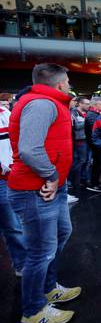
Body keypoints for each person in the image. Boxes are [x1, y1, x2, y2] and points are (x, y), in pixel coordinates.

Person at [8, 63, 81, 323]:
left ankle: (49, 288)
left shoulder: (48, 102)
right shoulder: (42, 104)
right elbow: (29, 149)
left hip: (50, 187)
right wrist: (50, 175)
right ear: (60, 84)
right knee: (40, 252)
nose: (70, 85)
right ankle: (33, 311)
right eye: (69, 81)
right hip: (36, 189)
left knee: (60, 234)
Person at [0, 99, 26, 277]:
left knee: (14, 224)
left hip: (9, 176)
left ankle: (22, 264)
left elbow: (16, 141)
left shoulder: (5, 113)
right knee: (12, 224)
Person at [68, 97, 90, 202]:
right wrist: (87, 122)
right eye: (86, 104)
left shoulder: (88, 113)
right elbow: (75, 126)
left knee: (85, 161)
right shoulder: (73, 113)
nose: (88, 106)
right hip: (79, 141)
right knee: (79, 162)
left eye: (88, 104)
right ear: (79, 104)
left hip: (87, 140)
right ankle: (74, 181)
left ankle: (81, 180)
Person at [85, 97, 101, 193]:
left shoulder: (94, 114)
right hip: (95, 144)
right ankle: (94, 184)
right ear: (95, 105)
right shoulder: (92, 115)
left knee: (98, 164)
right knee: (97, 164)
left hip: (97, 143)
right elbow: (98, 128)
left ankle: (96, 182)